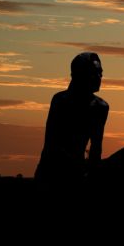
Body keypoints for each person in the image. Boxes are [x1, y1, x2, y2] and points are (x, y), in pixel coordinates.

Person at [35, 52, 109, 189]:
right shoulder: (60, 101)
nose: (99, 78)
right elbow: (52, 144)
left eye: (101, 73)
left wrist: (93, 170)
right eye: (94, 73)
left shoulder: (101, 107)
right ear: (80, 75)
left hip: (79, 173)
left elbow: (96, 147)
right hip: (52, 173)